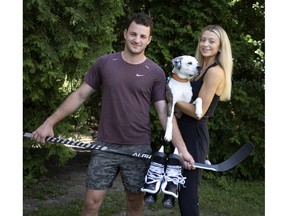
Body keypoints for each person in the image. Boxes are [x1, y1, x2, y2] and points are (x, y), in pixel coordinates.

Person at [30, 12, 194, 216]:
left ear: (149, 40)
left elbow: (164, 114)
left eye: (143, 36)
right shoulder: (105, 63)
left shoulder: (155, 72)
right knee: (91, 203)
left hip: (137, 147)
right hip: (105, 145)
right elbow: (80, 95)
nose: (137, 40)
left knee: (135, 204)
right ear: (125, 33)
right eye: (133, 34)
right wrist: (49, 122)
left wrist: (183, 149)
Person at [175, 25, 233, 216]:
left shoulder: (215, 72)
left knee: (188, 194)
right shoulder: (197, 68)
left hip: (195, 134)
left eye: (211, 41)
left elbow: (197, 112)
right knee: (179, 189)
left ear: (220, 46)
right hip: (182, 129)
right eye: (202, 40)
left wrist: (171, 98)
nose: (205, 44)